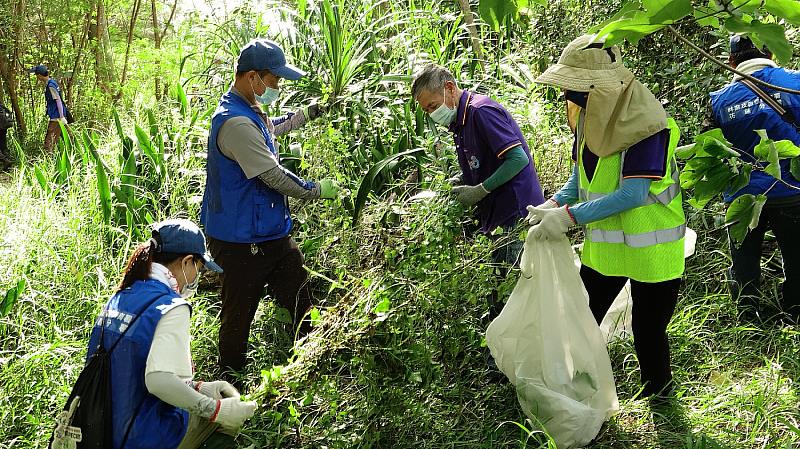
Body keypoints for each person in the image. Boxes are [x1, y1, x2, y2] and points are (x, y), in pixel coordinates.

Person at [529, 34, 686, 398]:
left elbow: (633, 193)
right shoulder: (590, 118)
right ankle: (576, 392)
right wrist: (553, 204)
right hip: (606, 248)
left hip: (653, 249)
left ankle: (661, 402)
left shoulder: (646, 124)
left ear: (602, 88)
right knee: (582, 320)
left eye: (576, 89)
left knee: (647, 331)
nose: (569, 97)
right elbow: (582, 175)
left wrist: (569, 217)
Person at [200, 39, 340, 381]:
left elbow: (269, 129)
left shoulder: (248, 110)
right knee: (238, 316)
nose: (278, 86)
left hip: (269, 231)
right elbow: (272, 174)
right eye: (274, 79)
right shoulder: (235, 123)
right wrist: (315, 190)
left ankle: (311, 365)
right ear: (252, 77)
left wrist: (306, 115)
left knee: (300, 297)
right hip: (239, 240)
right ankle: (229, 385)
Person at [411, 64, 545, 369]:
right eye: (426, 110)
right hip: (498, 216)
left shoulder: (482, 112)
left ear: (449, 87)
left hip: (515, 212)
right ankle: (506, 358)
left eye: (432, 106)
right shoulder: (461, 121)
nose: (432, 114)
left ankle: (517, 362)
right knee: (501, 286)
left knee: (511, 289)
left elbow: (517, 158)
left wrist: (481, 189)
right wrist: (465, 181)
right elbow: (482, 162)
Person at [84, 219, 257, 449]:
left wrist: (199, 388)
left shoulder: (120, 296)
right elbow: (157, 381)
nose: (198, 275)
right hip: (145, 438)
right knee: (229, 412)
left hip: (100, 432)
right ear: (187, 262)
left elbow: (132, 370)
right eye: (199, 267)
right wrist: (215, 409)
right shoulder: (171, 306)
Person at [708, 35, 800, 323]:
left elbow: (710, 149)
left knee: (744, 262)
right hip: (791, 189)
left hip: (741, 194)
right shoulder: (794, 82)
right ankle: (796, 314)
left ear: (731, 61)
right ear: (771, 52)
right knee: (797, 258)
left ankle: (749, 319)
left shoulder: (718, 101)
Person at [28, 64, 70, 152]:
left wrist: (61, 116)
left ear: (39, 75)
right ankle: (76, 154)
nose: (37, 77)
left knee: (49, 143)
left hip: (57, 117)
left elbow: (58, 100)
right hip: (58, 115)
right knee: (68, 138)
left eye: (36, 75)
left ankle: (48, 162)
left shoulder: (51, 85)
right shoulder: (52, 82)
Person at [0, 103, 13, 169]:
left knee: (3, 145)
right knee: (3, 145)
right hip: (4, 125)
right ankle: (8, 163)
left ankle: (6, 160)